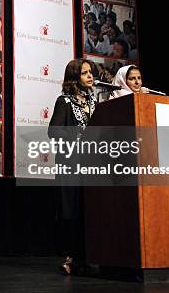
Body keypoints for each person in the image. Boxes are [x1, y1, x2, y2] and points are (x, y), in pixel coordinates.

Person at [48, 58, 97, 275]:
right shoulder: (65, 102)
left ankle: (90, 256)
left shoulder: (95, 102)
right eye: (85, 73)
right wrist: (80, 137)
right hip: (71, 165)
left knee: (91, 211)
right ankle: (70, 257)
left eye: (91, 73)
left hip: (93, 166)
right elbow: (53, 132)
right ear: (74, 77)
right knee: (72, 210)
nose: (90, 76)